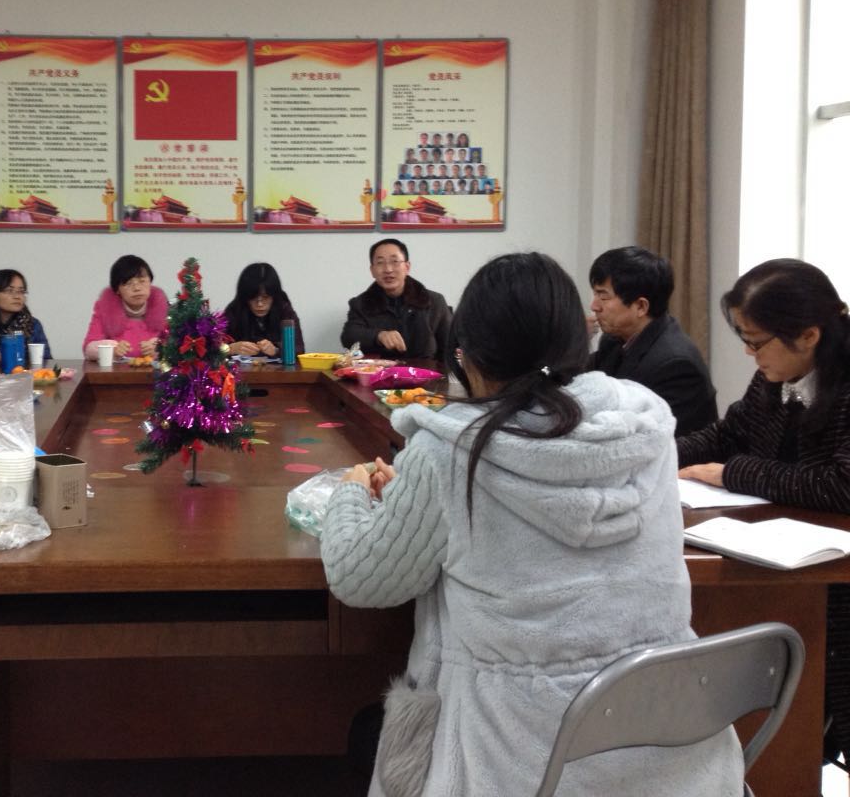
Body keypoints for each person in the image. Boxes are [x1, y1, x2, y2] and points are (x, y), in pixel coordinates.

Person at [322, 252, 743, 796]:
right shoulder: (644, 425)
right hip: (671, 755)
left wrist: (353, 492)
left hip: (513, 759)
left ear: (467, 352)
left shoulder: (452, 451)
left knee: (364, 733)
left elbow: (360, 578)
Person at [676, 259, 850, 759]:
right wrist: (656, 455)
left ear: (809, 335)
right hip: (786, 560)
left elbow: (842, 485)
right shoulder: (775, 377)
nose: (750, 355)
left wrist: (731, 473)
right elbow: (728, 434)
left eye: (756, 342)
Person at [589, 247, 717, 437]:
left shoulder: (676, 365)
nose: (594, 306)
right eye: (595, 294)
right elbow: (569, 381)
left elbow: (657, 441)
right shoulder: (614, 340)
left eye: (603, 296)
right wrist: (571, 341)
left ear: (641, 306)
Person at [340, 238, 451, 360]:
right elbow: (348, 337)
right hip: (380, 370)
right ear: (372, 271)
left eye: (395, 261)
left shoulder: (434, 302)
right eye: (380, 263)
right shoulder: (361, 304)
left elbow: (450, 346)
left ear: (407, 267)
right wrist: (378, 336)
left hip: (426, 370)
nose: (388, 269)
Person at [82, 255, 168, 360]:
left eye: (142, 281)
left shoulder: (164, 309)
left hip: (154, 370)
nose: (137, 288)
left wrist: (160, 348)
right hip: (116, 371)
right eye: (128, 283)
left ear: (150, 282)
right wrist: (112, 350)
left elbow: (178, 347)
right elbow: (88, 349)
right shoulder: (105, 309)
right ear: (117, 290)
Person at [223, 263, 305, 358]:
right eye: (253, 297)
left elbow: (299, 350)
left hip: (277, 368)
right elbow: (213, 349)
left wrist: (276, 350)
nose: (260, 304)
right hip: (240, 368)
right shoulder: (234, 311)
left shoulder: (284, 310)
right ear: (245, 297)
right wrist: (230, 349)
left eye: (265, 297)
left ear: (274, 296)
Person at [0, 268, 53, 359]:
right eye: (9, 291)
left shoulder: (32, 325)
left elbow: (46, 360)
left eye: (21, 291)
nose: (17, 296)